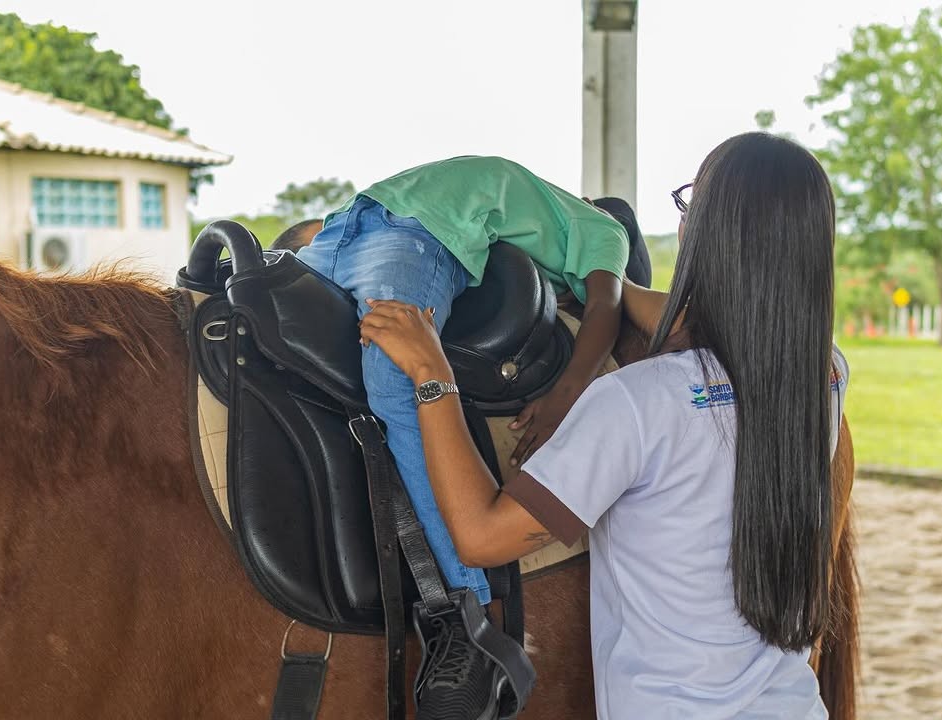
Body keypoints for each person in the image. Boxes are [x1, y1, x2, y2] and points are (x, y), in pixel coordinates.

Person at [359, 133, 849, 719]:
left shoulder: (637, 405)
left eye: (691, 205)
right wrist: (606, 290)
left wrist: (430, 373)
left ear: (708, 238)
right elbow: (730, 329)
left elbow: (481, 536)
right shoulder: (823, 376)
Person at [296, 155, 628, 719]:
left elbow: (598, 300)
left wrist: (561, 388)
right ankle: (463, 606)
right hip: (400, 229)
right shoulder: (602, 227)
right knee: (366, 365)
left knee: (368, 369)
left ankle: (463, 619)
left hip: (361, 227)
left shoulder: (576, 226)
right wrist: (567, 393)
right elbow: (605, 303)